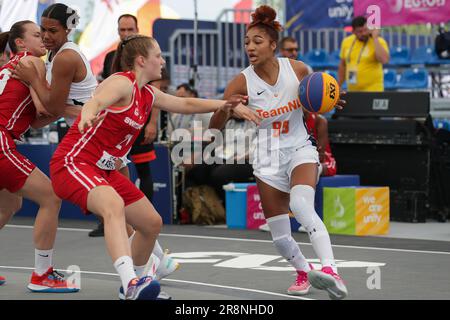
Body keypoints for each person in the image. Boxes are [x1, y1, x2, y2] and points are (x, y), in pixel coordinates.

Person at [47, 34, 249, 300]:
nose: (163, 61)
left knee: (151, 223)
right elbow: (96, 101)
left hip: (103, 170)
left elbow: (186, 104)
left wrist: (225, 105)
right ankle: (130, 282)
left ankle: (139, 282)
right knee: (113, 206)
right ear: (142, 61)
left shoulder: (148, 94)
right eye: (158, 56)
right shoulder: (121, 83)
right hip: (73, 162)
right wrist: (87, 113)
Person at [209, 5, 348, 300]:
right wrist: (226, 107)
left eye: (257, 41)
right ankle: (303, 271)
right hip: (267, 158)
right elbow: (214, 127)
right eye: (247, 42)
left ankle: (331, 271)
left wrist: (331, 98)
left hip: (300, 149)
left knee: (301, 206)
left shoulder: (297, 70)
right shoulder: (241, 82)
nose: (250, 47)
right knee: (281, 237)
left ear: (273, 45)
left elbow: (318, 99)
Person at [0, 20, 78, 292]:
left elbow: (37, 118)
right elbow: (49, 105)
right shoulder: (31, 62)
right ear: (20, 43)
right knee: (51, 196)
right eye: (37, 34)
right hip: (0, 140)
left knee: (9, 205)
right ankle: (42, 274)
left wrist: (67, 111)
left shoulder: (9, 68)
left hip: (4, 138)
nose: (43, 37)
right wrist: (90, 111)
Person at [338, 16, 390, 92]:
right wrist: (339, 84)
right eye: (360, 31)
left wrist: (375, 38)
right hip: (353, 90)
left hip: (373, 91)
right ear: (353, 32)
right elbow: (343, 64)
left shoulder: (378, 42)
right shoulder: (346, 42)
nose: (364, 33)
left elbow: (384, 60)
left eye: (365, 30)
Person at [100, 14, 139, 81]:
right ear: (118, 31)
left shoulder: (147, 56)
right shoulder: (109, 57)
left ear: (137, 30)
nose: (126, 34)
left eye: (130, 29)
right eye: (122, 30)